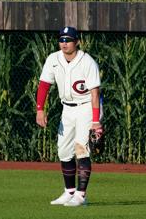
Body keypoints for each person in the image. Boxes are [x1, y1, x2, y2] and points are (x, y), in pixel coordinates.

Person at [36, 26, 103, 207]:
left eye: (68, 40)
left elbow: (95, 93)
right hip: (67, 108)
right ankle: (69, 192)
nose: (64, 43)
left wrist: (96, 121)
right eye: (61, 40)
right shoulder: (53, 59)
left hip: (86, 107)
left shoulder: (87, 62)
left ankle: (81, 196)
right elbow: (44, 85)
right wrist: (40, 109)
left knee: (82, 149)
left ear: (77, 42)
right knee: (64, 151)